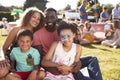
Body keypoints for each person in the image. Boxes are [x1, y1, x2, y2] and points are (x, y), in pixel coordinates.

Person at [33, 8, 102, 80]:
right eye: (46, 17)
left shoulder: (63, 29)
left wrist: (75, 66)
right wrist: (54, 68)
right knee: (77, 75)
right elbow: (40, 59)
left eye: (52, 17)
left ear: (57, 17)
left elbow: (73, 50)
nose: (49, 20)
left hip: (69, 60)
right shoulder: (38, 35)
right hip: (53, 63)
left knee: (92, 59)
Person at [0, 7, 45, 80]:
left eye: (38, 19)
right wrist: (2, 58)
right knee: (1, 72)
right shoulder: (16, 30)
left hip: (31, 66)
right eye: (34, 17)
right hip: (14, 61)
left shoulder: (38, 33)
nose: (36, 20)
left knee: (41, 74)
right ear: (28, 17)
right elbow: (4, 48)